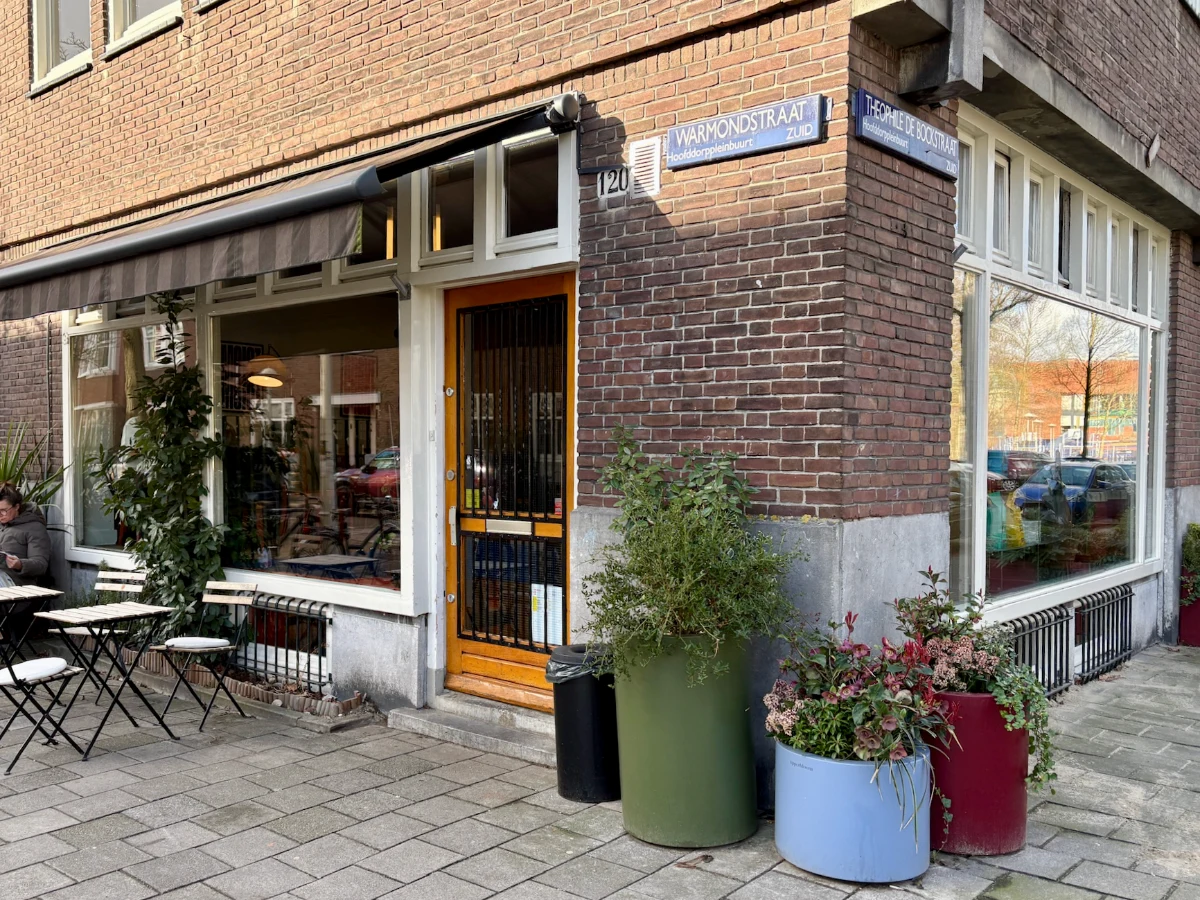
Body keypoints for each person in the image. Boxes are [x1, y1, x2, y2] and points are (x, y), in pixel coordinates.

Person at [0, 482, 51, 587]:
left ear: (16, 507)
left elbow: (41, 565)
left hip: (17, 583)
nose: (0, 515)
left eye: (3, 510)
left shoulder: (34, 527)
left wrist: (20, 564)